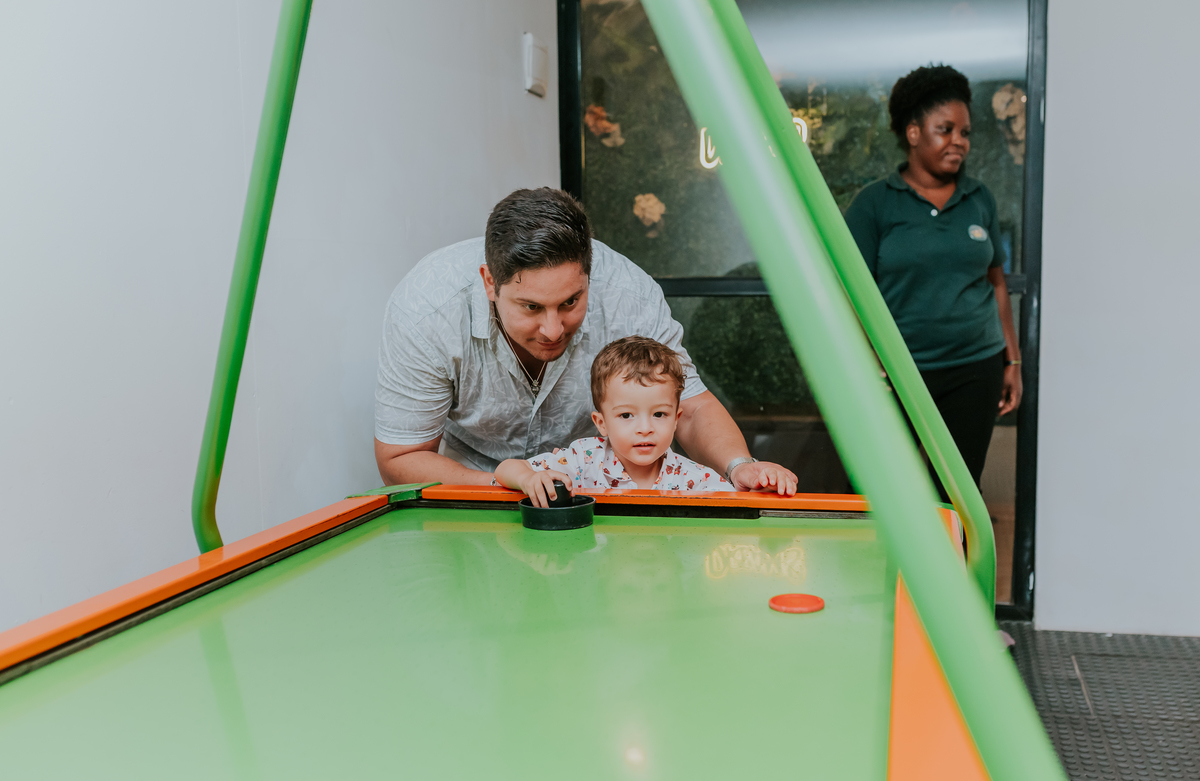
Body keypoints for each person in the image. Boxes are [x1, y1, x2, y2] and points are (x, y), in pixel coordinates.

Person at [375, 187, 798, 494]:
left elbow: (689, 407)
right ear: (489, 283)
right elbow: (400, 458)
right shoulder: (426, 310)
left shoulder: (629, 296)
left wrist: (739, 466)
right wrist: (509, 484)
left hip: (598, 491)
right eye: (531, 307)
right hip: (471, 485)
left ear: (589, 275)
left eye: (570, 302)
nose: (553, 329)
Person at [845, 65, 1022, 491]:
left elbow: (996, 282)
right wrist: (868, 360)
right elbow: (850, 295)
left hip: (975, 369)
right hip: (897, 375)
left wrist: (1012, 360)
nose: (959, 141)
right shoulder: (874, 204)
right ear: (913, 133)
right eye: (946, 130)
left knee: (957, 492)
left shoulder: (978, 198)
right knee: (887, 492)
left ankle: (955, 542)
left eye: (965, 133)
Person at [495, 336, 734, 506]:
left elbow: (736, 510)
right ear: (602, 423)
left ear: (676, 420)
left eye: (659, 414)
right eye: (626, 415)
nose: (645, 429)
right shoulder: (583, 461)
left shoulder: (695, 479)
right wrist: (528, 479)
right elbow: (505, 470)